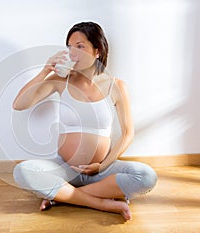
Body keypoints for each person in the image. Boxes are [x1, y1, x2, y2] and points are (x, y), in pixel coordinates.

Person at [12, 22, 157, 221]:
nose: (73, 52)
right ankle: (99, 202)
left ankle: (63, 197)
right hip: (64, 169)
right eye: (70, 47)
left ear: (97, 51)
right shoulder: (60, 80)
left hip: (101, 171)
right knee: (22, 171)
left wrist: (103, 165)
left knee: (147, 176)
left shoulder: (116, 86)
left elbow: (127, 133)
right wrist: (45, 71)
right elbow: (19, 104)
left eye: (80, 46)